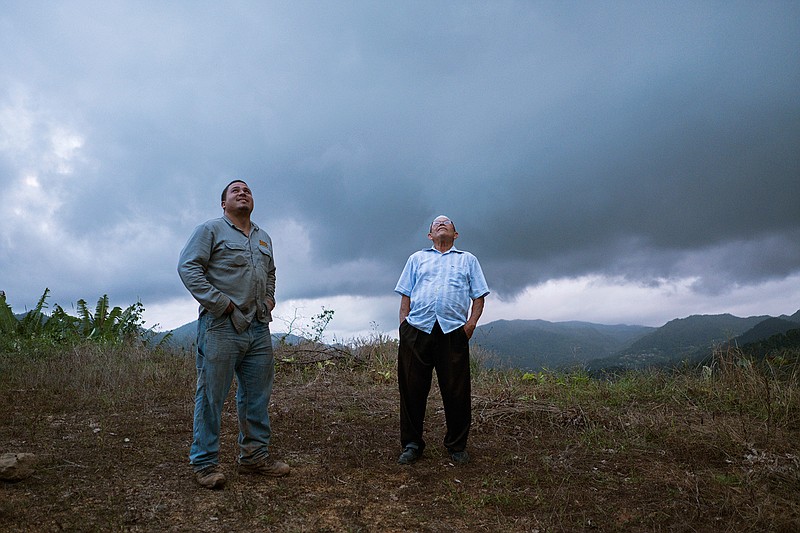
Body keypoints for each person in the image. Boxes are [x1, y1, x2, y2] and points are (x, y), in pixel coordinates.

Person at [178, 179, 289, 489]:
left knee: (257, 396)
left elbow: (271, 274)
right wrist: (222, 305)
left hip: (258, 328)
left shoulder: (263, 238)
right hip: (221, 326)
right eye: (235, 191)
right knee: (211, 396)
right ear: (223, 203)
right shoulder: (210, 231)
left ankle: (254, 457)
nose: (243, 193)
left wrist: (269, 299)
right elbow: (188, 268)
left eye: (248, 190)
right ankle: (204, 463)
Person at [394, 215, 489, 465]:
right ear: (429, 235)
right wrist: (404, 324)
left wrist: (470, 326)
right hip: (416, 330)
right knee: (412, 390)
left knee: (456, 390)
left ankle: (456, 446)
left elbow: (479, 296)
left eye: (447, 223)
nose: (441, 223)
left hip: (453, 331)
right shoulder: (417, 259)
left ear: (456, 234)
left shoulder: (467, 260)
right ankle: (412, 444)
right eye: (436, 224)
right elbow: (405, 293)